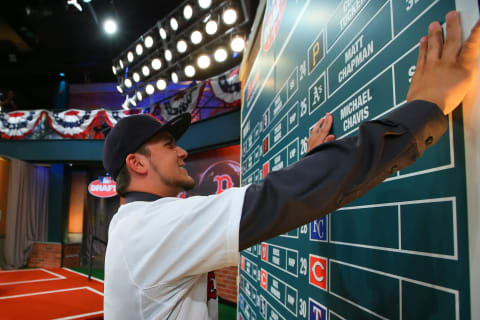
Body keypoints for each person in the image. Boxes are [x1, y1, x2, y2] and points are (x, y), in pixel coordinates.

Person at [102, 12, 480, 320]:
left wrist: (312, 163)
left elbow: (276, 201)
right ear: (136, 163)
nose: (182, 152)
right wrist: (421, 112)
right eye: (169, 146)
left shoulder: (138, 224)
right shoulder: (151, 228)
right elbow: (278, 198)